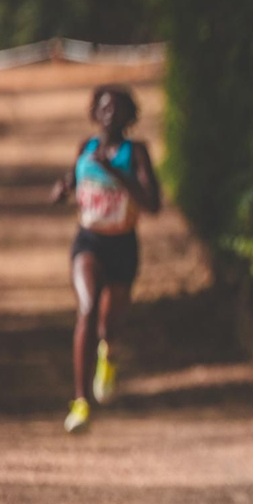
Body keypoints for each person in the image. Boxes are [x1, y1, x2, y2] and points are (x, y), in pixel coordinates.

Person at [50, 85, 161, 433]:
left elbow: (153, 204)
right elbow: (72, 180)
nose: (110, 113)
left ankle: (108, 355)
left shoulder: (136, 152)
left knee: (109, 325)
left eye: (117, 108)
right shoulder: (86, 148)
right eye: (104, 107)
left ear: (129, 116)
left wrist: (114, 173)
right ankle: (81, 403)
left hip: (123, 246)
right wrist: (62, 189)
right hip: (89, 242)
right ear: (95, 113)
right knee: (86, 308)